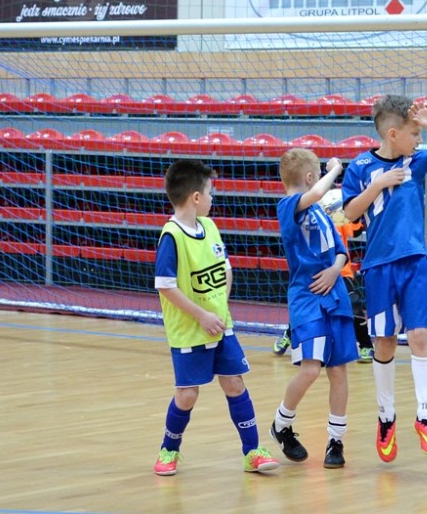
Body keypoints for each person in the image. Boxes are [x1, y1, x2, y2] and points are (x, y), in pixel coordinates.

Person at [341, 94, 427, 461]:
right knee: (383, 342)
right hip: (378, 266)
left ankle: (425, 416)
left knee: (418, 336)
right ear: (393, 134)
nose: (418, 139)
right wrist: (379, 184)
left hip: (414, 261)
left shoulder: (417, 160)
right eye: (415, 133)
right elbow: (350, 212)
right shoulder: (361, 167)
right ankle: (386, 418)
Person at [152, 159, 279, 476]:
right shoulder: (172, 236)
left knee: (234, 383)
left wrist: (220, 309)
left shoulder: (209, 227)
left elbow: (225, 270)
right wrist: (202, 315)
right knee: (187, 394)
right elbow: (165, 286)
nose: (213, 198)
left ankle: (252, 451)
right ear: (196, 197)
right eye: (210, 192)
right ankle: (169, 450)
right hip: (189, 330)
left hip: (221, 326)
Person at [269, 148, 360, 468]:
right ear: (310, 178)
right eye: (318, 176)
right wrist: (335, 170)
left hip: (335, 294)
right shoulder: (287, 206)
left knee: (338, 370)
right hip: (307, 297)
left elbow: (341, 251)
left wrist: (335, 269)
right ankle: (281, 424)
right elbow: (319, 192)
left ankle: (336, 441)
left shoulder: (320, 212)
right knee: (310, 369)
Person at [274, 194, 374, 364]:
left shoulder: (340, 221)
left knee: (353, 306)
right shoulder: (309, 219)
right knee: (311, 309)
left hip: (342, 272)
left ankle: (366, 345)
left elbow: (356, 230)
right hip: (317, 273)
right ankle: (289, 334)